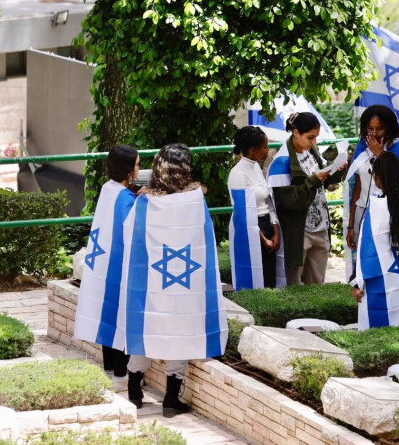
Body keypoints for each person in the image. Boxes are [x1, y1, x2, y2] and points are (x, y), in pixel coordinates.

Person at [121, 144, 228, 417]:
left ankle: (134, 391)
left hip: (154, 280)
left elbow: (129, 233)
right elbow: (205, 240)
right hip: (187, 282)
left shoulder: (144, 201)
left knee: (149, 329)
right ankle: (171, 399)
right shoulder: (194, 198)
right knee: (181, 330)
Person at [74, 144, 140, 379]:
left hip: (102, 260)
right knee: (120, 313)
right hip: (118, 264)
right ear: (127, 170)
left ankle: (110, 366)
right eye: (137, 165)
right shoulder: (126, 198)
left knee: (107, 311)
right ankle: (121, 374)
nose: (139, 169)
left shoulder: (107, 188)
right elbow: (133, 230)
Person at [267, 113, 347, 286]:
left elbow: (322, 181)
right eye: (310, 137)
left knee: (317, 285)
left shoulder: (312, 152)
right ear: (295, 132)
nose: (314, 142)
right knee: (293, 285)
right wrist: (315, 180)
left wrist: (336, 170)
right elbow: (289, 200)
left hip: (321, 227)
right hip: (298, 231)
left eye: (316, 137)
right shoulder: (281, 161)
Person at [350, 152, 399, 330]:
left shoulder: (376, 207)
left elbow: (367, 251)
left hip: (382, 282)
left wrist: (358, 283)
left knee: (378, 332)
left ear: (375, 176)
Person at [345, 104, 399, 254]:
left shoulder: (397, 145)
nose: (374, 133)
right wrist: (350, 225)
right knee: (363, 258)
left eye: (379, 128)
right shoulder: (363, 145)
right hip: (362, 210)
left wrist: (380, 154)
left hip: (386, 210)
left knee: (381, 257)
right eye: (370, 128)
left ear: (389, 128)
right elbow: (358, 188)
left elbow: (398, 183)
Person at [228, 126, 280, 289]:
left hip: (267, 224)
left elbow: (267, 200)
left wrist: (275, 231)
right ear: (253, 150)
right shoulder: (238, 173)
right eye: (265, 147)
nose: (268, 150)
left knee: (270, 278)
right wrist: (263, 239)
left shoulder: (256, 167)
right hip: (251, 229)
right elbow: (242, 213)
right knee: (256, 279)